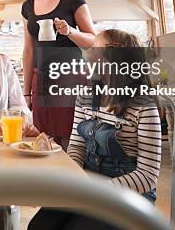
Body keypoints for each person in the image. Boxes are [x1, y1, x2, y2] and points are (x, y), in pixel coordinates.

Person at [29, 29, 162, 230]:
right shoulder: (86, 94)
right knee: (39, 226)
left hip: (130, 195)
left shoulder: (143, 104)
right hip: (88, 185)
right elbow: (77, 145)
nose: (89, 54)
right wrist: (74, 179)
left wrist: (97, 190)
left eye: (95, 49)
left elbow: (148, 175)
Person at [21, 0, 95, 148]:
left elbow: (92, 40)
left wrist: (70, 31)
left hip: (70, 77)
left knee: (71, 138)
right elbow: (28, 51)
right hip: (41, 79)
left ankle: (69, 177)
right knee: (44, 137)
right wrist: (26, 92)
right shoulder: (28, 6)